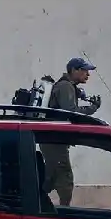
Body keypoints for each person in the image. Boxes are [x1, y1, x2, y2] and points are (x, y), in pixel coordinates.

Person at [42, 58, 102, 206]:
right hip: (54, 141)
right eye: (85, 70)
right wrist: (93, 108)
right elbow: (71, 112)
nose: (88, 75)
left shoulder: (68, 86)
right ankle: (63, 214)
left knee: (50, 178)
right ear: (74, 70)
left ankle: (39, 208)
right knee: (65, 180)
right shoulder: (65, 86)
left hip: (53, 141)